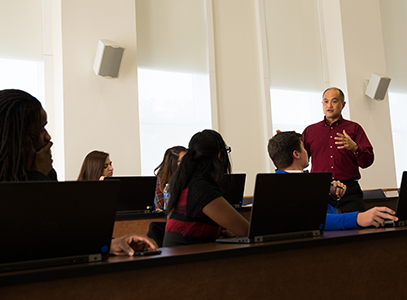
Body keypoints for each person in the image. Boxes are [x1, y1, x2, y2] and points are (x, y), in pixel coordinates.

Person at [0, 89, 157, 256]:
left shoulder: (45, 173)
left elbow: (62, 234)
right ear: (16, 137)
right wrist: (37, 176)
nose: (48, 137)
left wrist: (110, 244)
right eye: (40, 130)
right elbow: (31, 241)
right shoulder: (35, 176)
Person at [268, 131, 397, 229]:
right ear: (296, 154)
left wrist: (331, 197)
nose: (307, 151)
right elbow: (312, 219)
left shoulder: (300, 180)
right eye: (303, 147)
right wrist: (358, 218)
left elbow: (316, 209)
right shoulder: (284, 186)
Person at [163, 129, 249, 247]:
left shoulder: (186, 183)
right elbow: (245, 230)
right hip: (185, 262)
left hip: (178, 259)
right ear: (220, 156)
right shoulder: (202, 188)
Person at [302, 87, 374, 213]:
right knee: (320, 230)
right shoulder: (310, 131)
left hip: (350, 192)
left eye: (334, 101)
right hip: (320, 190)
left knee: (357, 229)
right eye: (325, 101)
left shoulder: (354, 129)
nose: (329, 105)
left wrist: (356, 147)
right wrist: (287, 143)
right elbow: (300, 161)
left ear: (343, 104)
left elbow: (367, 162)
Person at [153, 146, 186, 210]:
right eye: (183, 160)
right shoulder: (161, 179)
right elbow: (160, 206)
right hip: (168, 217)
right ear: (172, 163)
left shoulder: (192, 177)